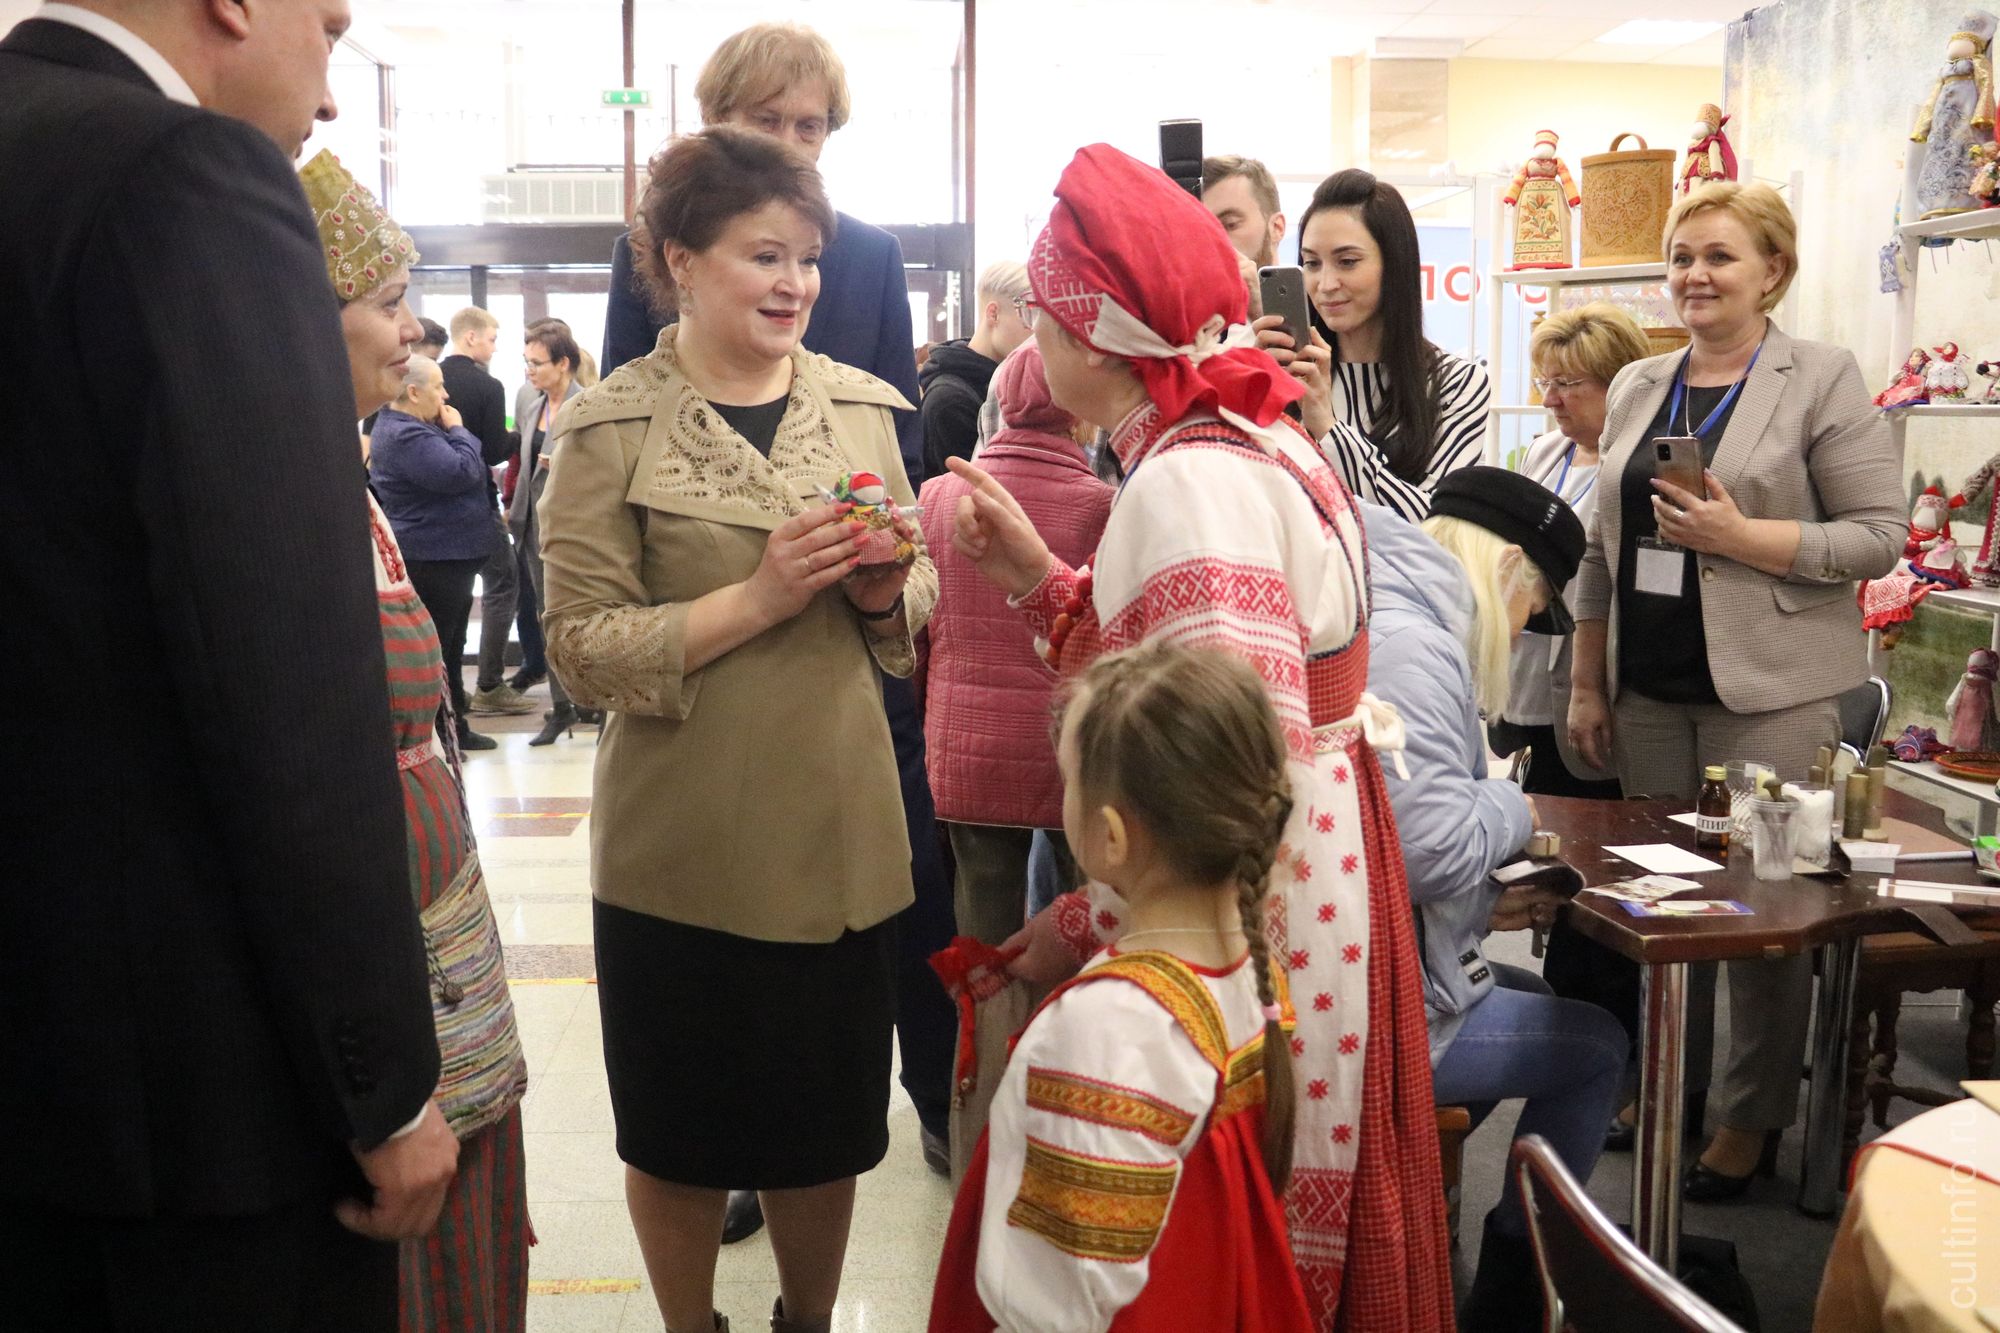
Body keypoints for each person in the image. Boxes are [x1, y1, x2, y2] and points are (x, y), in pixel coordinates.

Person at [944, 142, 1452, 1331]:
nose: (1031, 338)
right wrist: (1039, 581)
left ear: (1090, 337)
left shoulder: (1188, 480)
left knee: (1229, 1234)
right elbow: (1187, 674)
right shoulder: (1242, 434)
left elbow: (1212, 763)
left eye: (1045, 313)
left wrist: (1081, 921)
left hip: (1268, 897)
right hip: (1315, 849)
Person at [0, 3, 457, 1325]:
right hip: (191, 1092)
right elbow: (282, 678)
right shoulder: (185, 176)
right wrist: (384, 1084)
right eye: (330, 23)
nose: (333, 83)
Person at [537, 126, 937, 1333]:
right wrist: (754, 600)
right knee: (679, 1134)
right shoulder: (610, 428)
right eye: (764, 255)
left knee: (827, 1132)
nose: (793, 283)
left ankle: (806, 1320)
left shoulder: (859, 411)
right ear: (680, 260)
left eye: (806, 258)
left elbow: (915, 596)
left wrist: (885, 591)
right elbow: (578, 648)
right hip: (683, 850)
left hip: (836, 834)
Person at [603, 23, 957, 1225]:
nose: (793, 143)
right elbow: (632, 422)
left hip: (846, 625)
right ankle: (730, 1159)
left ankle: (927, 1097)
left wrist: (873, 560)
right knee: (716, 932)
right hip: (707, 623)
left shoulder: (865, 254)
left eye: (810, 126)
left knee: (889, 890)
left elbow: (887, 443)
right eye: (767, 121)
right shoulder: (654, 254)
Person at [1565, 180, 1904, 1202]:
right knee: (1664, 901)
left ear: (1772, 271)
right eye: (1680, 257)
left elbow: (1877, 537)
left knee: (1762, 908)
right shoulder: (1640, 381)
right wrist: (1586, 680)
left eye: (1718, 256)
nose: (1694, 275)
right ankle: (1671, 1082)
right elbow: (1601, 547)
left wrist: (1740, 537)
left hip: (1774, 691)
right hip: (1647, 691)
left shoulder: (1821, 376)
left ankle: (1749, 1116)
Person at [306, 149, 532, 1332]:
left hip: (434, 929)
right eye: (389, 302)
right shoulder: (282, 487)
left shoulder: (337, 466)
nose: (412, 332)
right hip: (384, 956)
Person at [929, 643, 1315, 1333]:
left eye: (1068, 781)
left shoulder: (1106, 1027)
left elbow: (1054, 1298)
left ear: (1110, 837)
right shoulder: (1251, 972)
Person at [1360, 469, 1626, 1331]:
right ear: (1507, 567)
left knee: (1534, 995)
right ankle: (1513, 1291)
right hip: (1381, 1009)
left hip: (1377, 966)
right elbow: (1429, 850)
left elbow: (1391, 840)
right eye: (1531, 607)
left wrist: (1479, 902)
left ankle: (1418, 1189)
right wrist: (1514, 801)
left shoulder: (1383, 608)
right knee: (1599, 1047)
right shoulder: (1418, 650)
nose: (1519, 632)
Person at [919, 341, 1110, 949]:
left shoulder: (938, 497)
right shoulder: (1102, 506)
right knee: (1085, 919)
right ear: (1079, 414)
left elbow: (916, 635)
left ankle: (986, 1012)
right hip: (1069, 747)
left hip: (966, 742)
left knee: (981, 922)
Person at [1262, 169, 1490, 524]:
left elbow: (1435, 523)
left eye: (1347, 262)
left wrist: (1328, 427)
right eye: (1311, 263)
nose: (1325, 284)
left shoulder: (1457, 382)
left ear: (1394, 263)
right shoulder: (1290, 374)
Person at [1488, 303, 1650, 798]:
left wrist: (1589, 687)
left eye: (1566, 384)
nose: (1550, 400)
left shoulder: (1639, 467)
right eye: (1545, 382)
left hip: (1589, 677)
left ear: (1617, 383)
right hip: (1526, 670)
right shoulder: (1546, 450)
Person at [367, 355, 501, 750]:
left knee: (451, 647)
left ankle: (454, 728)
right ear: (413, 391)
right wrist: (458, 430)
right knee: (441, 650)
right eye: (439, 386)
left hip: (445, 556)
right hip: (433, 557)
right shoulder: (405, 434)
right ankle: (442, 733)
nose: (445, 396)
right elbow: (461, 472)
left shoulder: (416, 427)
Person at [441, 306, 538, 719]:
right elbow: (495, 450)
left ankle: (450, 691)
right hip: (475, 502)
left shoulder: (430, 380)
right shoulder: (488, 386)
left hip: (434, 512)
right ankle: (490, 684)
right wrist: (521, 438)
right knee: (504, 582)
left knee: (454, 597)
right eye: (492, 339)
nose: (495, 348)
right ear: (471, 337)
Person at [512, 321, 585, 745]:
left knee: (578, 612)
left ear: (563, 364)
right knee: (545, 614)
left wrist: (565, 468)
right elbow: (523, 467)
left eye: (537, 363)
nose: (530, 371)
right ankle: (561, 706)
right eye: (527, 362)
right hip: (531, 525)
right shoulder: (530, 404)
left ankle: (590, 698)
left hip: (574, 526)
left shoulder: (588, 405)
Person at [920, 260, 1034, 479]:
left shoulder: (1006, 385)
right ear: (994, 313)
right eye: (1029, 314)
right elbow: (972, 490)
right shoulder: (950, 400)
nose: (1037, 328)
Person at [1202, 153, 1286, 269]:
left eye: (1230, 224)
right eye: (1202, 232)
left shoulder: (1312, 280)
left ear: (1276, 227)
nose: (1212, 243)